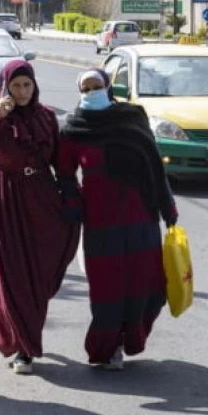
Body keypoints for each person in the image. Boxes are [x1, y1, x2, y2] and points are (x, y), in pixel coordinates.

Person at [58, 68, 178, 370]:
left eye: (96, 85)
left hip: (141, 216)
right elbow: (64, 173)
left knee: (149, 286)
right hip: (100, 221)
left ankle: (130, 338)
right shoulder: (73, 129)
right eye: (85, 88)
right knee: (107, 289)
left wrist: (168, 209)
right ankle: (106, 347)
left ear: (108, 87)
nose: (91, 91)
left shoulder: (132, 118)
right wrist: (73, 205)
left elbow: (154, 165)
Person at [0, 59, 79, 374]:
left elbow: (61, 162)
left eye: (27, 84)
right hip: (7, 199)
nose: (22, 91)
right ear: (5, 88)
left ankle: (27, 335)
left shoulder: (46, 117)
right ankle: (23, 349)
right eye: (15, 86)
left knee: (39, 274)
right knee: (13, 273)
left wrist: (71, 197)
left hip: (42, 197)